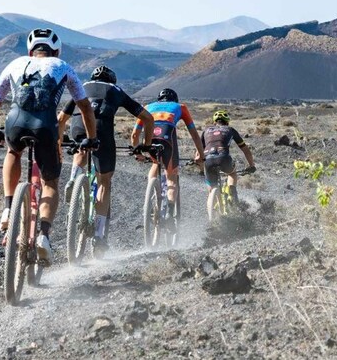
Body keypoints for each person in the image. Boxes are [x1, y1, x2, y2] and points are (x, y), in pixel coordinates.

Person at [0, 28, 99, 263]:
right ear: (55, 50)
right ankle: (44, 236)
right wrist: (92, 137)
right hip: (46, 127)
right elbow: (86, 108)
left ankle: (8, 207)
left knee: (13, 152)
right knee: (50, 183)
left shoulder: (14, 64)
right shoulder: (63, 66)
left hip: (15, 124)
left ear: (30, 49)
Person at [57, 65, 155, 256]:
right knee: (104, 182)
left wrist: (59, 144)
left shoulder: (82, 86)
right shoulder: (115, 90)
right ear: (112, 79)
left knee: (81, 146)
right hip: (101, 129)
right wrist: (146, 145)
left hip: (78, 125)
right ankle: (100, 237)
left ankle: (73, 178)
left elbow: (61, 119)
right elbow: (148, 118)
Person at [130, 88, 204, 226]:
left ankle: (150, 192)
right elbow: (194, 134)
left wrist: (137, 153)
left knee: (155, 162)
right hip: (167, 141)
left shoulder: (147, 107)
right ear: (174, 99)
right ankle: (170, 212)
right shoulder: (180, 107)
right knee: (171, 177)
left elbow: (134, 134)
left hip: (149, 142)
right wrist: (200, 154)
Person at [201, 110, 255, 202]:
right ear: (227, 122)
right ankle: (232, 190)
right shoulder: (230, 130)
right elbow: (245, 150)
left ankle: (213, 205)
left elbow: (199, 152)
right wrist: (251, 165)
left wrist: (199, 167)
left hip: (208, 160)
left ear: (214, 122)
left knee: (211, 185)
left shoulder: (205, 131)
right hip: (224, 158)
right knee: (232, 173)